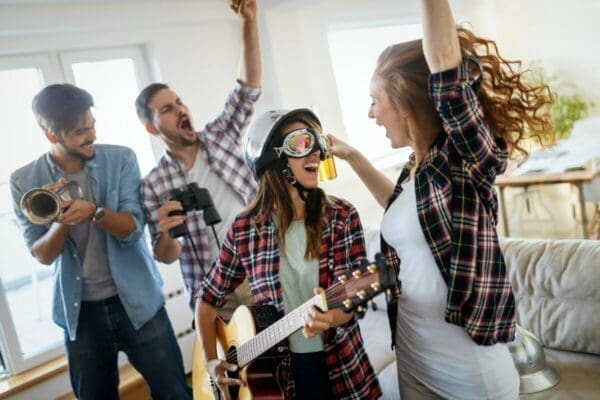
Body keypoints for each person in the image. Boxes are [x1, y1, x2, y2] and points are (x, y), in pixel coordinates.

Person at [328, 1, 554, 399]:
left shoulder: (464, 160)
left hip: (468, 367)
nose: (370, 113)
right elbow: (405, 215)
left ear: (404, 101)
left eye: (375, 100)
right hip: (414, 356)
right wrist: (352, 156)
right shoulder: (417, 166)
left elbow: (445, 66)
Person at [10, 84, 192, 400]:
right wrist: (61, 220)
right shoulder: (24, 180)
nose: (92, 135)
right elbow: (42, 255)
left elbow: (134, 228)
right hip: (81, 316)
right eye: (81, 132)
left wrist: (94, 212)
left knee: (174, 392)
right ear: (52, 136)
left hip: (138, 300)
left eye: (92, 125)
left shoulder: (120, 159)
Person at [196, 109, 382, 400]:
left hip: (341, 367)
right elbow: (206, 300)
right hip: (277, 380)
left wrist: (331, 318)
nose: (317, 154)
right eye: (301, 144)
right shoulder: (246, 228)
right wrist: (211, 362)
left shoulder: (342, 216)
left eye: (317, 143)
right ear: (272, 158)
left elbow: (351, 302)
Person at [136, 0, 261, 312]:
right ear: (152, 128)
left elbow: (248, 87)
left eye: (179, 102)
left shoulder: (221, 135)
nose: (181, 109)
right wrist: (166, 231)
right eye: (167, 109)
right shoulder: (153, 185)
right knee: (238, 363)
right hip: (215, 292)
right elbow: (166, 255)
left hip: (262, 268)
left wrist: (249, 23)